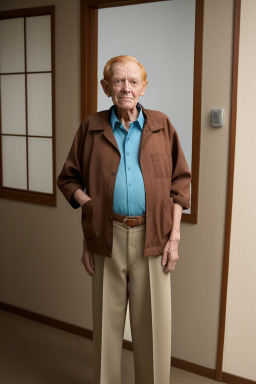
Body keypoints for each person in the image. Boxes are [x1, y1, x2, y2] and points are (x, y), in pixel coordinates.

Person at [57, 55, 191, 384]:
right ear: (106, 88)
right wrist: (89, 206)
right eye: (118, 81)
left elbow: (180, 184)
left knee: (154, 330)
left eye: (133, 81)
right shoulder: (90, 127)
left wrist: (174, 238)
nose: (125, 88)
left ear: (143, 88)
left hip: (155, 238)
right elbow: (68, 179)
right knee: (106, 327)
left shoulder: (162, 126)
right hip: (107, 235)